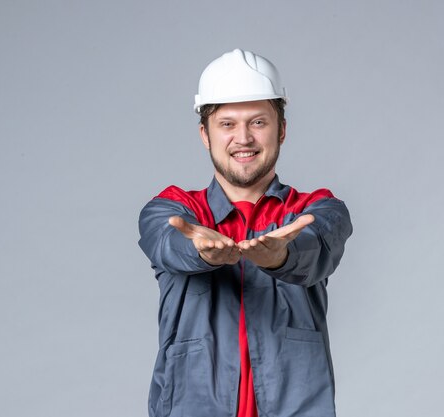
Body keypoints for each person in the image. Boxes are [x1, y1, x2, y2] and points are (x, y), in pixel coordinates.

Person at [138, 48, 353, 417]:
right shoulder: (174, 209)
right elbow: (166, 243)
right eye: (227, 124)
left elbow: (318, 246)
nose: (243, 138)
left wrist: (282, 256)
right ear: (205, 134)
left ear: (281, 130)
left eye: (258, 122)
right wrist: (203, 252)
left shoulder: (315, 210)